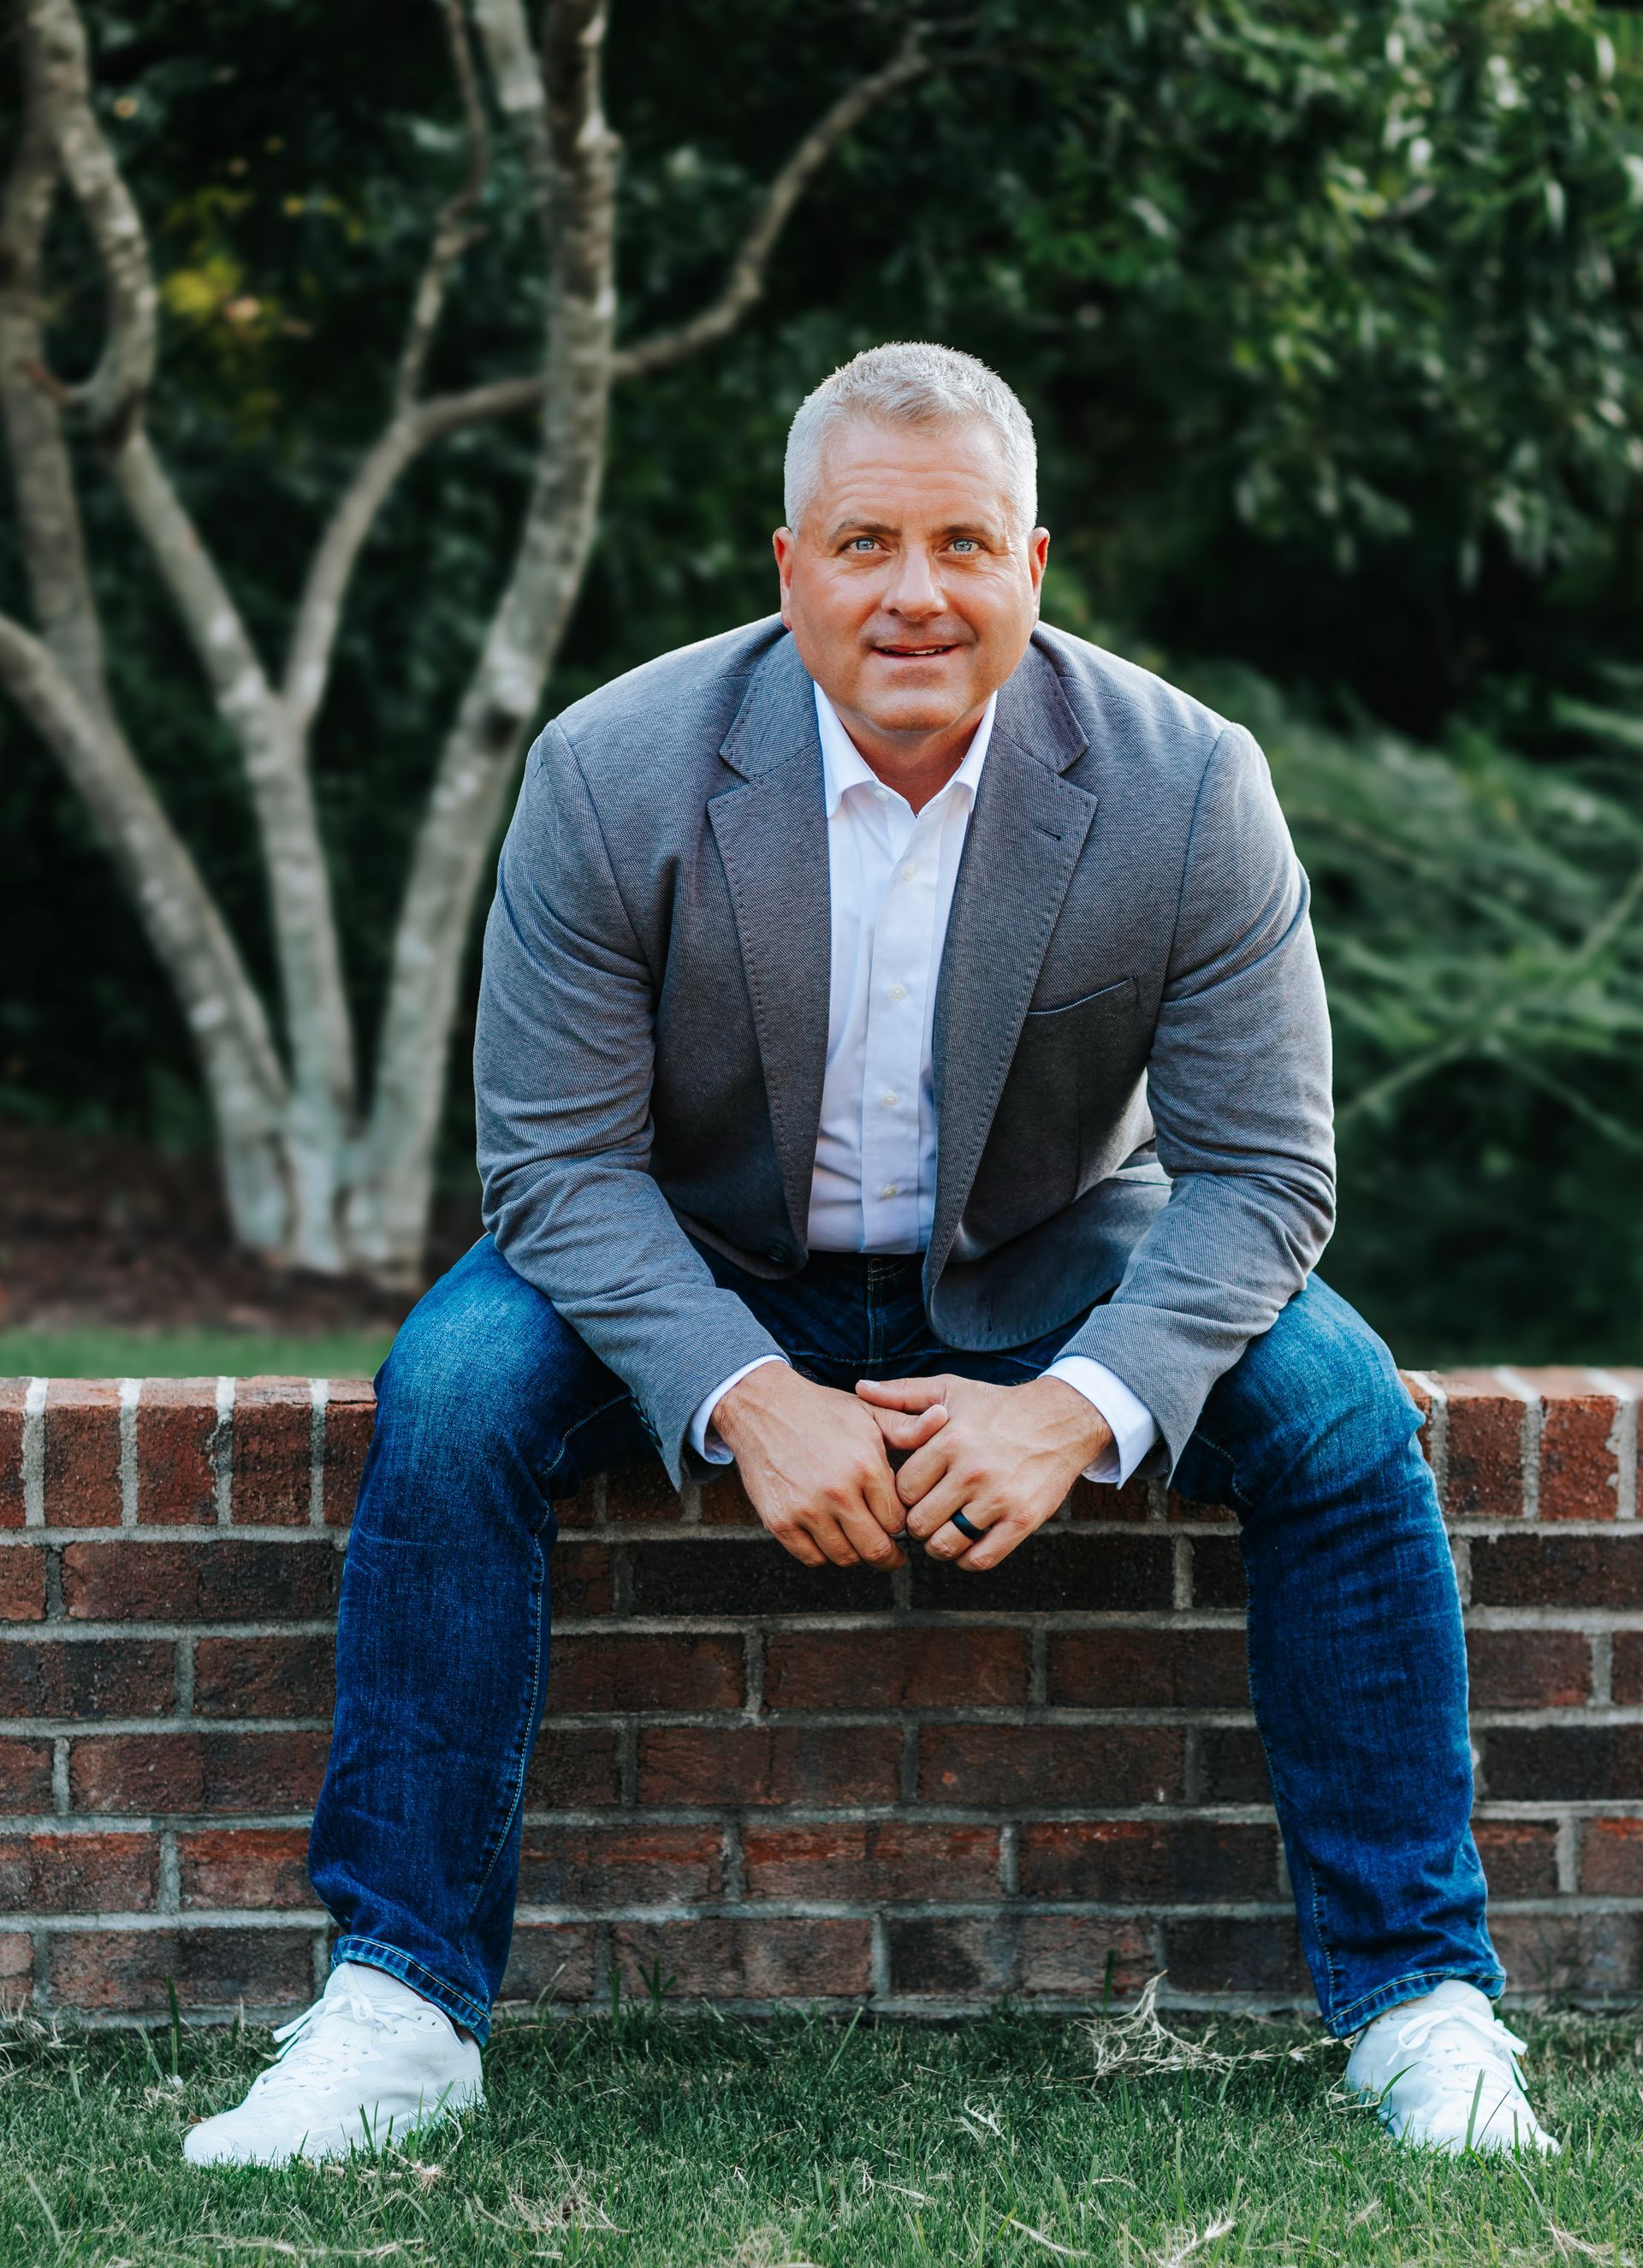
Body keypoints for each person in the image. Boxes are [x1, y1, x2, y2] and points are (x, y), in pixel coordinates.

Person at [184, 343, 1554, 2167]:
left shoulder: (1188, 785)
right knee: (449, 1388)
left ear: (1035, 569)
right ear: (788, 567)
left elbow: (1266, 1176)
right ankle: (401, 2007)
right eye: (866, 543)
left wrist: (1078, 1409)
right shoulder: (613, 772)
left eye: (965, 544)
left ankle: (1421, 2008)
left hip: (1052, 1252)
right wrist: (746, 1395)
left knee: (1340, 1406)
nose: (916, 593)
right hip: (693, 1252)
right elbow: (554, 1170)